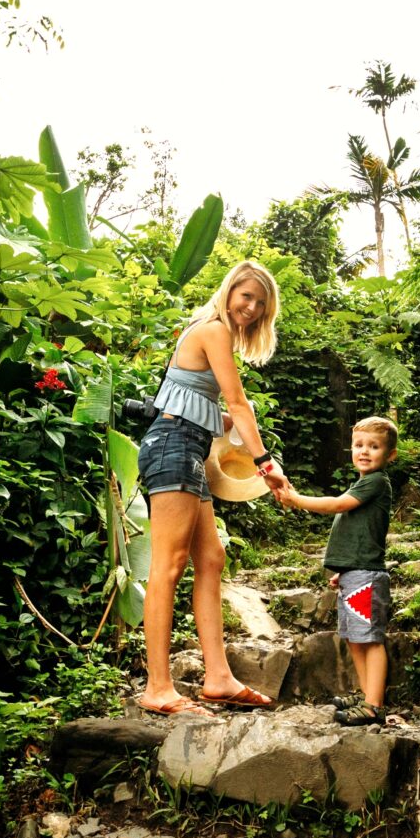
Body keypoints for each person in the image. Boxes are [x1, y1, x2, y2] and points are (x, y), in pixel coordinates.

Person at [136, 260, 289, 717]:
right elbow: (238, 402)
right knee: (169, 565)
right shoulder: (213, 329)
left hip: (188, 446)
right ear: (229, 292)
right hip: (173, 447)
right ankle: (158, 688)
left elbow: (197, 401)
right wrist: (265, 463)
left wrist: (222, 421)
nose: (253, 308)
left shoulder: (207, 332)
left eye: (261, 303)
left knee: (210, 558)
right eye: (247, 296)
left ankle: (219, 677)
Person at [277, 416, 397, 726]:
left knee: (370, 640)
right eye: (359, 445)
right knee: (356, 638)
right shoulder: (363, 482)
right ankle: (365, 692)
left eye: (374, 446)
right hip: (355, 575)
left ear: (389, 455)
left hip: (366, 576)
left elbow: (336, 505)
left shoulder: (376, 481)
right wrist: (343, 570)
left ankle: (374, 705)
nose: (364, 451)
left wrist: (297, 500)